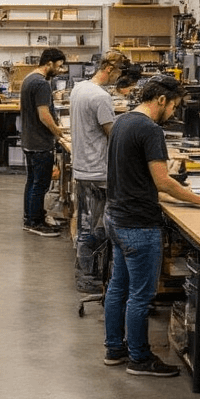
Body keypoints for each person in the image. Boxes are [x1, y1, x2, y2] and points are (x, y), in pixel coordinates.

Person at [104, 74, 200, 376]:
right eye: (174, 106)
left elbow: (134, 172)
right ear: (161, 100)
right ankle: (140, 359)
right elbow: (163, 182)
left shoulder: (122, 121)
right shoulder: (149, 129)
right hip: (138, 224)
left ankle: (114, 350)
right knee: (140, 297)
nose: (173, 113)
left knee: (118, 289)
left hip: (116, 217)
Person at [69, 51, 130, 293]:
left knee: (86, 226)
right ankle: (90, 278)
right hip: (99, 171)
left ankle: (86, 275)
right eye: (119, 73)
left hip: (83, 167)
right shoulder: (101, 97)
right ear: (111, 70)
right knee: (98, 229)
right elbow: (112, 135)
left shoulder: (79, 89)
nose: (119, 78)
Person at [20, 48, 69, 236]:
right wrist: (58, 133)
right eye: (58, 66)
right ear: (48, 63)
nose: (60, 70)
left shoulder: (28, 78)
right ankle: (35, 222)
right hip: (40, 142)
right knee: (40, 184)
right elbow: (44, 115)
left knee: (32, 182)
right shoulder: (41, 84)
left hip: (29, 139)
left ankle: (31, 217)